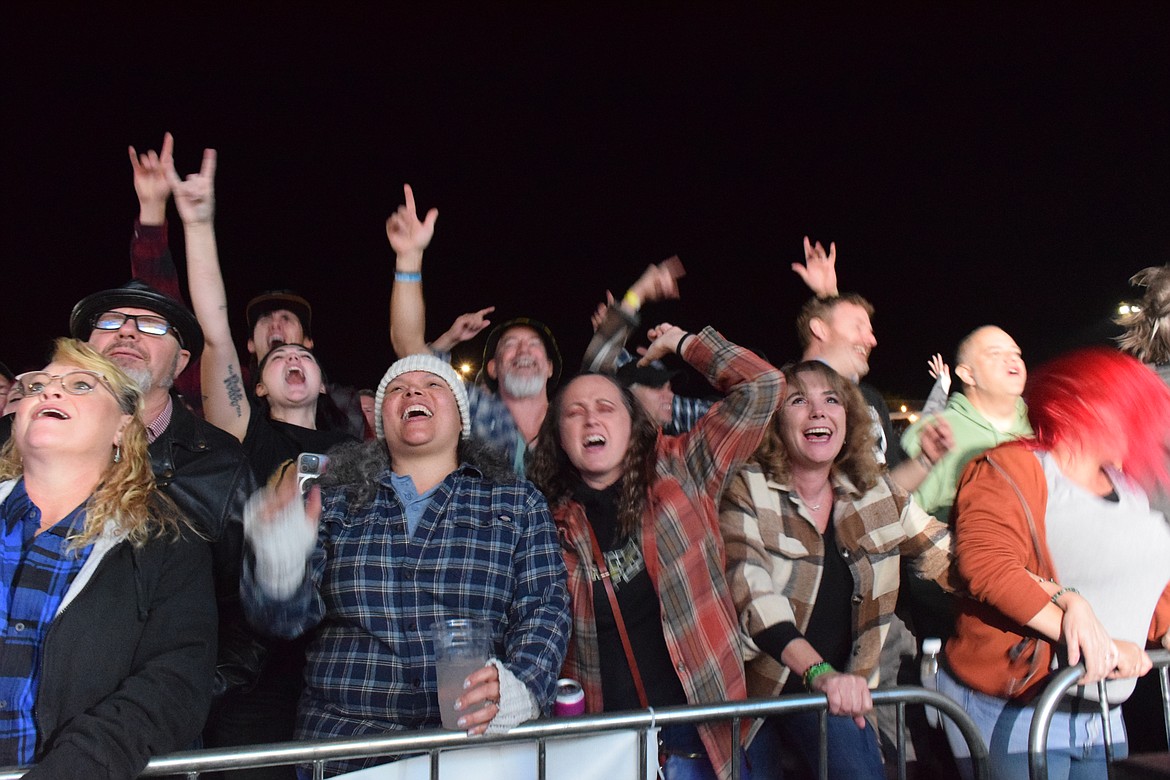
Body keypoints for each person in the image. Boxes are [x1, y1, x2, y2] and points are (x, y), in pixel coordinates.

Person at [241, 353, 570, 778]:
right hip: (346, 750)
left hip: (472, 747)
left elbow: (545, 605)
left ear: (460, 419)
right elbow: (280, 624)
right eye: (397, 389)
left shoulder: (516, 501)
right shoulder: (335, 504)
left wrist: (521, 689)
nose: (413, 391)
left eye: (433, 386)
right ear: (381, 426)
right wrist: (280, 565)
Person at [167, 143, 357, 778]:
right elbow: (216, 332)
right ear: (256, 385)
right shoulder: (246, 431)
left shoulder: (357, 448)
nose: (291, 358)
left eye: (300, 351)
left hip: (347, 664)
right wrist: (197, 223)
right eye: (276, 359)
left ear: (320, 371)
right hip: (262, 670)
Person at [529, 322, 783, 780]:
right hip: (607, 745)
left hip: (703, 729)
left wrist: (686, 344)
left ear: (632, 422)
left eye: (606, 408)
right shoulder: (545, 520)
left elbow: (764, 387)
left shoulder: (684, 467)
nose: (592, 420)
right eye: (575, 413)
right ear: (559, 436)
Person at [939, 347, 1170, 780]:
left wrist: (1165, 626)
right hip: (1017, 709)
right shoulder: (1009, 467)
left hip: (1100, 713)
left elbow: (1147, 574)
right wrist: (1084, 634)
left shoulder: (1128, 485)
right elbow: (986, 565)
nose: (1147, 423)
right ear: (1081, 404)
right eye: (1132, 408)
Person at [719, 360, 957, 780]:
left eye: (831, 400)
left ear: (848, 418)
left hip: (843, 697)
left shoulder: (875, 492)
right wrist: (819, 672)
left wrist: (1056, 600)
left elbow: (948, 557)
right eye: (798, 401)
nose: (818, 412)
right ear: (776, 420)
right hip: (756, 695)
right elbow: (752, 592)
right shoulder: (747, 487)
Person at [0, 338, 215, 778]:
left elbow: (175, 682)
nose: (49, 392)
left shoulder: (166, 542)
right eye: (37, 384)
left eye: (81, 385)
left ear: (122, 426)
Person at [67, 276, 262, 741]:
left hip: (152, 733)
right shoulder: (20, 439)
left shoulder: (221, 464)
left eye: (154, 326)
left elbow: (250, 612)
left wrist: (187, 688)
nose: (128, 331)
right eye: (110, 321)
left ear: (181, 361)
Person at [127, 133, 366, 438]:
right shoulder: (230, 399)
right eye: (265, 319)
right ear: (250, 346)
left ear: (309, 345)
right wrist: (158, 214)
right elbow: (179, 315)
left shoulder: (347, 419)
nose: (275, 324)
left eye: (288, 319)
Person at [387, 185, 570, 475]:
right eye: (510, 344)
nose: (523, 349)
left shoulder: (574, 417)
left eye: (534, 344)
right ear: (493, 368)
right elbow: (409, 347)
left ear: (549, 367)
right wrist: (409, 258)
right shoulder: (476, 410)